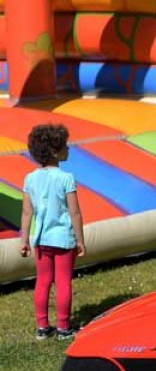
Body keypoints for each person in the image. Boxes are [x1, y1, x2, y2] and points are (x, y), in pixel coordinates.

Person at [19, 124, 85, 340]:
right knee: (63, 281)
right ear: (55, 151)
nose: (69, 148)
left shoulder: (30, 179)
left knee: (43, 281)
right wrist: (80, 240)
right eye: (66, 145)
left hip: (42, 240)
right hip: (64, 240)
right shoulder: (66, 178)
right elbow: (74, 212)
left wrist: (24, 241)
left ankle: (42, 327)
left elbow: (27, 213)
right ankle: (64, 328)